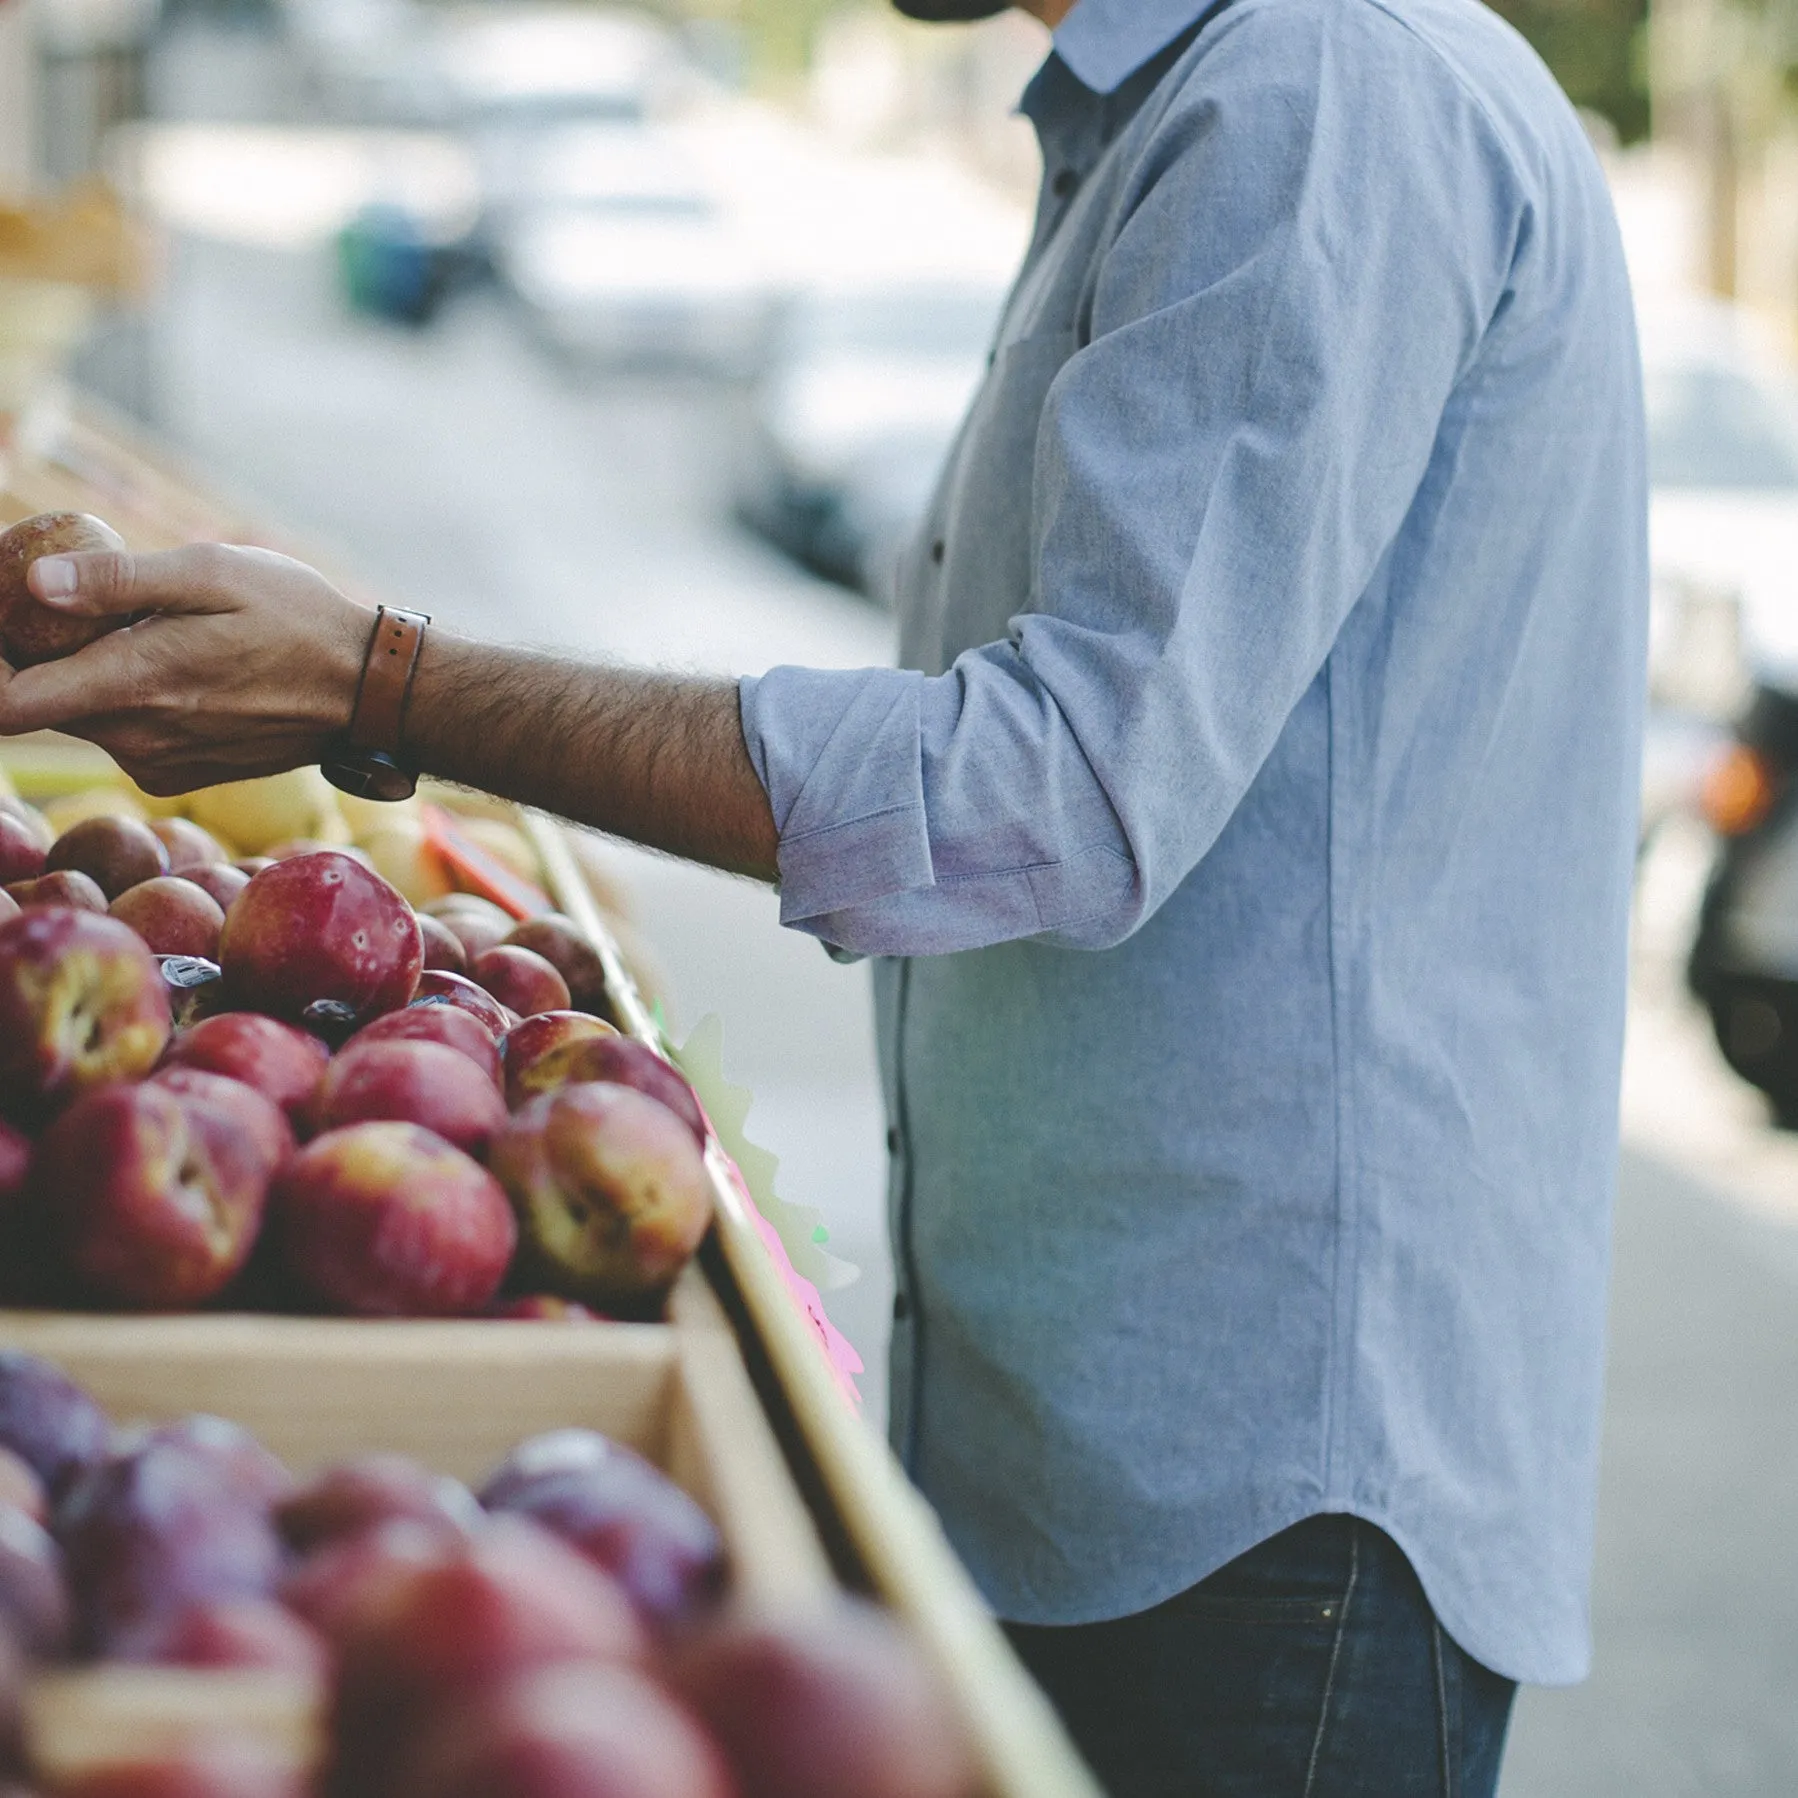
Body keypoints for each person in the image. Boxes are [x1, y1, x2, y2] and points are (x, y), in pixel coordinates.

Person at [0, 0, 1646, 1785]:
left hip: (1270, 1494)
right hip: (1130, 1457)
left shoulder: (1326, 90)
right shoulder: (1195, 100)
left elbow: (1052, 789)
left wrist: (384, 683)